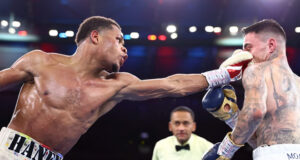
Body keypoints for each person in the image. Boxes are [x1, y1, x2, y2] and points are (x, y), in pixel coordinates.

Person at [0, 16, 252, 160]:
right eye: (119, 40)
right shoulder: (40, 61)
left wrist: (223, 74)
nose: (125, 49)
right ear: (96, 37)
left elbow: (171, 85)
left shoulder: (117, 85)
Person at [202, 19, 300, 160]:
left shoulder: (256, 71)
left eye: (248, 48)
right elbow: (264, 140)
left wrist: (226, 150)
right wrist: (231, 116)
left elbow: (255, 113)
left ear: (271, 45)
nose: (246, 56)